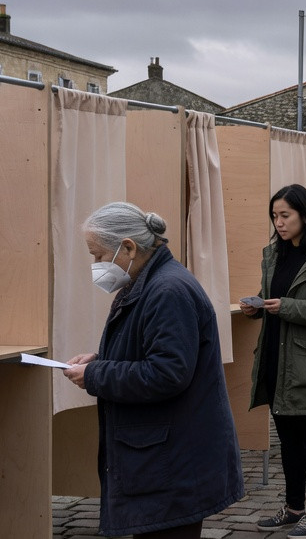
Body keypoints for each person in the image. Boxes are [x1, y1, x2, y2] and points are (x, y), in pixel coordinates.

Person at [64, 202, 243, 539]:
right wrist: (100, 359)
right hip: (166, 456)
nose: (96, 264)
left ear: (128, 247)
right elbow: (152, 350)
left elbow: (167, 373)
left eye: (99, 255)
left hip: (173, 461)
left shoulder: (166, 291)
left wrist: (96, 375)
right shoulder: (151, 283)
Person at [241, 184, 306, 538]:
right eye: (274, 216)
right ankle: (293, 508)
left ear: (304, 214)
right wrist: (258, 306)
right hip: (276, 358)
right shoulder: (275, 253)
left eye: (285, 215)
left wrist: (285, 307)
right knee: (287, 440)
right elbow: (274, 297)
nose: (279, 223)